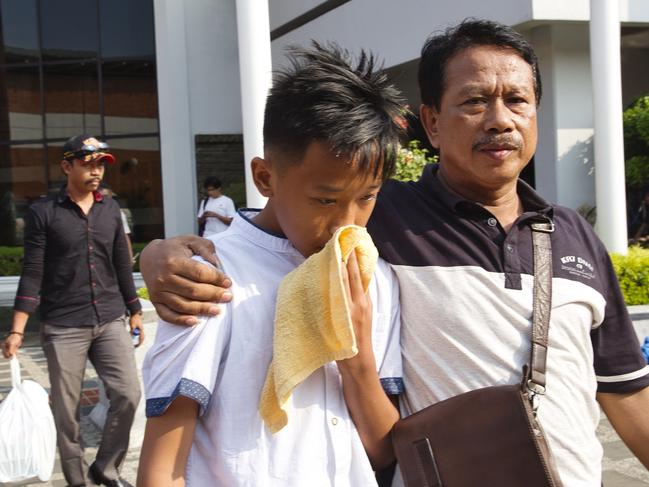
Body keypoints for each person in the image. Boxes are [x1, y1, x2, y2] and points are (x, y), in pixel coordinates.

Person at [138, 20, 649, 485]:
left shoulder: (573, 235)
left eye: (517, 100)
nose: (499, 120)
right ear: (431, 122)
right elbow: (283, 217)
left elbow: (625, 390)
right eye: (473, 101)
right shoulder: (387, 219)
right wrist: (159, 256)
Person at [136, 44, 404, 486]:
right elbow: (162, 470)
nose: (346, 223)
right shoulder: (210, 279)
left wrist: (357, 359)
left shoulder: (377, 281)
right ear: (265, 177)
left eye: (367, 197)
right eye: (325, 199)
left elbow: (382, 451)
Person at [2, 134, 144, 487]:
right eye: (87, 163)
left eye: (100, 164)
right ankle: (78, 481)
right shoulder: (43, 213)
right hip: (64, 324)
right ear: (67, 166)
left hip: (110, 318)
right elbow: (33, 271)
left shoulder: (111, 210)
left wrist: (135, 308)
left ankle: (106, 468)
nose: (96, 171)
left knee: (128, 394)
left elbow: (121, 265)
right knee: (68, 413)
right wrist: (18, 329)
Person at [99, 184, 135, 266]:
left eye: (106, 196)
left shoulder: (118, 213)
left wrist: (129, 257)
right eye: (100, 196)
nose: (103, 199)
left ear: (111, 196)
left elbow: (125, 236)